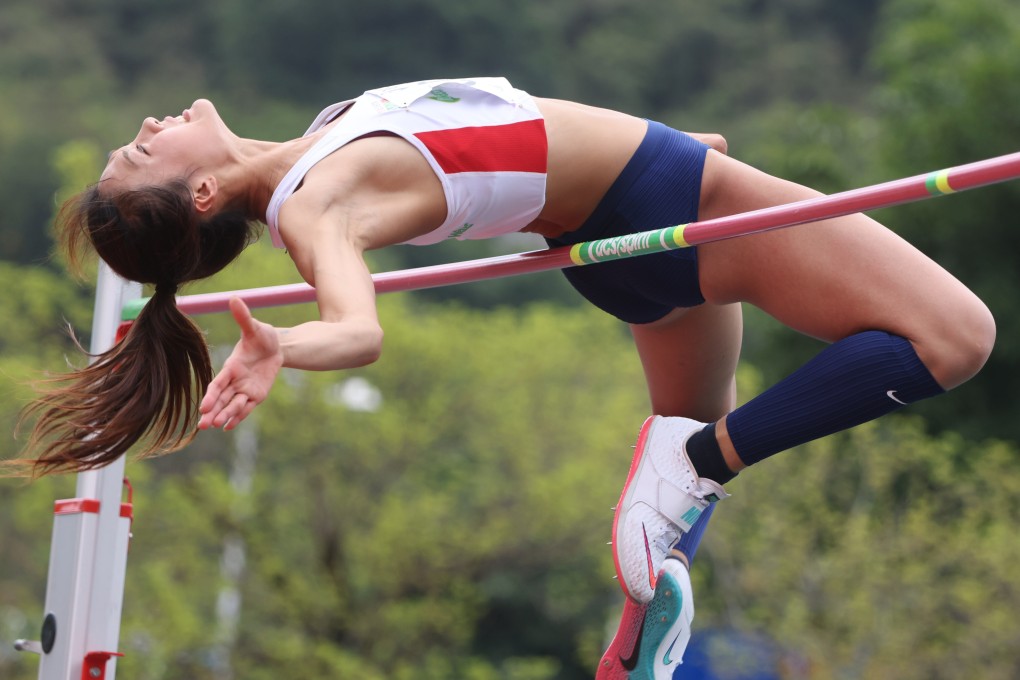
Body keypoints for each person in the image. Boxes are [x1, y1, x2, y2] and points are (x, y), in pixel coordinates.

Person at [18, 77, 993, 677]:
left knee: (669, 487)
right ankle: (706, 458)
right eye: (143, 148)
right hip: (662, 199)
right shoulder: (317, 201)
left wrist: (642, 133)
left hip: (626, 223)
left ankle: (655, 562)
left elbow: (505, 135)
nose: (150, 119)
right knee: (954, 335)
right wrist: (289, 343)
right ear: (197, 192)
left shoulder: (316, 144)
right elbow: (357, 327)